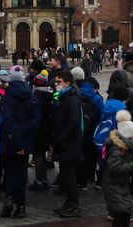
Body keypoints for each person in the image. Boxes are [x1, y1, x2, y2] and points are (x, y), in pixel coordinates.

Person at [0, 67, 38, 218]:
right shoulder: (32, 96)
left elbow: (8, 121)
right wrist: (22, 140)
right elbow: (35, 120)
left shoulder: (8, 96)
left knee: (10, 172)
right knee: (21, 174)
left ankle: (9, 201)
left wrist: (16, 138)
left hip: (10, 140)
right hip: (26, 141)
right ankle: (20, 206)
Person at [51, 70, 84, 217]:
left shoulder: (72, 99)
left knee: (69, 176)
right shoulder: (64, 97)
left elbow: (74, 121)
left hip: (70, 144)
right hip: (65, 143)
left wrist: (62, 137)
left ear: (68, 83)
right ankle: (70, 202)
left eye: (59, 82)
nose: (56, 84)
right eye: (56, 82)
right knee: (65, 175)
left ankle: (74, 205)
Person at [102, 117, 133, 227]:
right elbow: (115, 168)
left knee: (126, 211)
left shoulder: (126, 148)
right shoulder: (116, 149)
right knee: (121, 212)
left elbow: (127, 165)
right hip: (112, 184)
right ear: (128, 137)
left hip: (121, 184)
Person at [28, 69, 54, 192]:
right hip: (47, 129)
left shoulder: (36, 97)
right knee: (42, 155)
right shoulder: (50, 94)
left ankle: (39, 181)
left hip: (38, 130)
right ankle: (44, 180)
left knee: (38, 155)